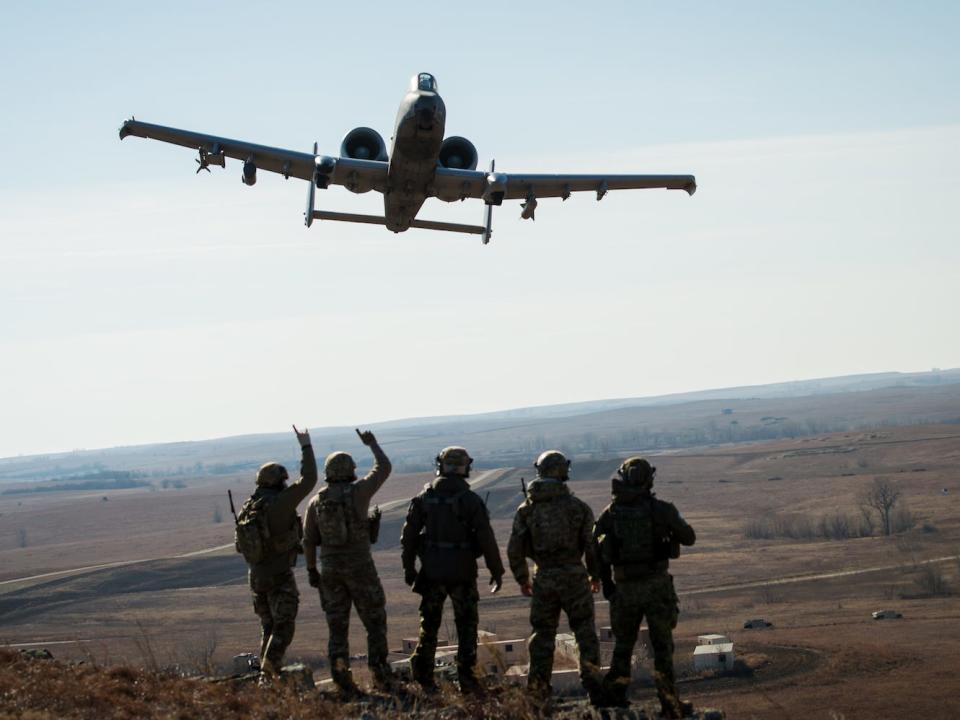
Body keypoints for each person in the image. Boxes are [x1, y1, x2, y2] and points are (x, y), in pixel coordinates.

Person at [592, 457, 696, 717]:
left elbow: (594, 548)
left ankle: (615, 698)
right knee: (662, 646)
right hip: (657, 587)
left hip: (624, 589)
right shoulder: (662, 509)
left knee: (623, 645)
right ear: (650, 479)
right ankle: (669, 703)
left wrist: (607, 584)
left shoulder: (611, 513)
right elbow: (689, 537)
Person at [400, 446, 505, 694]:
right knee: (466, 627)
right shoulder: (470, 500)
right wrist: (496, 571)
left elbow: (409, 537)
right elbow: (486, 538)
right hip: (462, 572)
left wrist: (409, 568)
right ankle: (468, 680)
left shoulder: (424, 497)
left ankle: (423, 676)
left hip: (432, 571)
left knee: (429, 627)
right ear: (464, 468)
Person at [506, 450, 604, 705]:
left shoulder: (527, 509)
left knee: (542, 635)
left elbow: (515, 548)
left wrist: (522, 579)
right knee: (584, 632)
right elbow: (591, 546)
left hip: (544, 579)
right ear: (561, 471)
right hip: (574, 577)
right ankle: (594, 688)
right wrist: (595, 575)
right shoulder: (578, 507)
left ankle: (538, 692)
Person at [302, 429, 393, 693]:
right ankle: (381, 676)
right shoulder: (359, 492)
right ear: (350, 469)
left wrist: (311, 570)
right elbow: (384, 468)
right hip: (361, 567)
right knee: (375, 622)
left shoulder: (316, 502)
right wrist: (372, 443)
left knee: (337, 627)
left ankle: (342, 681)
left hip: (330, 570)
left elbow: (308, 540)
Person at [235, 425, 316, 683]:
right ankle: (268, 676)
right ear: (279, 482)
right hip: (279, 575)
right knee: (284, 626)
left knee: (268, 626)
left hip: (256, 576)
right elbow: (310, 479)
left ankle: (265, 674)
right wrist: (306, 445)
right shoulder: (279, 504)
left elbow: (240, 545)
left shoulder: (250, 506)